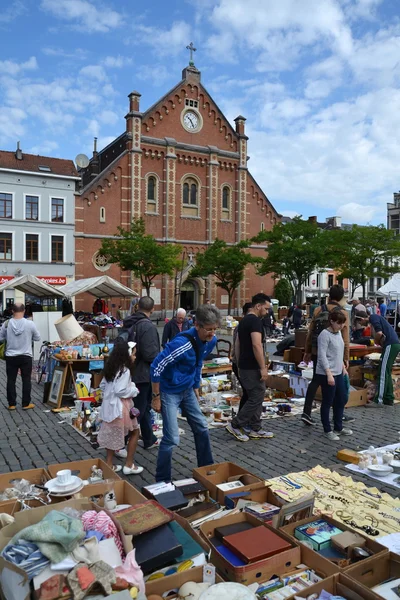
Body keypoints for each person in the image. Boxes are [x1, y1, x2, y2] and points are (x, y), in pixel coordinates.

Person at [150, 305, 220, 482]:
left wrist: (196, 387)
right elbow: (156, 367)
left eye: (214, 329)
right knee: (172, 437)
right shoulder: (182, 344)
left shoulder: (211, 341)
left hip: (187, 389)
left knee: (202, 427)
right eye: (208, 329)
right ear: (197, 325)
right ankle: (162, 479)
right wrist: (156, 396)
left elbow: (198, 363)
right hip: (169, 392)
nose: (212, 333)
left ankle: (206, 468)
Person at [301, 284, 352, 426]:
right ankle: (336, 415)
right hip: (334, 355)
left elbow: (310, 331)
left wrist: (308, 351)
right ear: (341, 297)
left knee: (316, 380)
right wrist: (345, 357)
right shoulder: (343, 313)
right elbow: (345, 337)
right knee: (336, 384)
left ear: (329, 295)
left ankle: (306, 412)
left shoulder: (319, 309)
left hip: (318, 351)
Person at [226, 293, 273, 442]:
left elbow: (238, 345)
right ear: (258, 306)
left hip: (245, 365)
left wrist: (238, 364)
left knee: (255, 395)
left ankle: (255, 428)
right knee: (256, 396)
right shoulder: (255, 322)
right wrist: (262, 367)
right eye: (266, 309)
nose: (267, 312)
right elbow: (256, 344)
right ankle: (236, 424)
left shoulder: (244, 321)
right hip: (252, 366)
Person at [98, 341, 143, 475]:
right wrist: (134, 390)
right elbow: (120, 390)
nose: (135, 357)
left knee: (112, 435)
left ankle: (109, 464)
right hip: (121, 407)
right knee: (135, 432)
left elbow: (103, 386)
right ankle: (129, 464)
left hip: (110, 406)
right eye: (134, 355)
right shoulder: (125, 370)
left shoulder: (111, 368)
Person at [123, 296, 160, 451]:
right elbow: (150, 354)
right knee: (137, 408)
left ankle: (149, 438)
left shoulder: (130, 322)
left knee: (142, 407)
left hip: (132, 370)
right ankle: (121, 440)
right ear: (153, 309)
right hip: (144, 373)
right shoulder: (148, 326)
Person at [315, 311, 351, 441]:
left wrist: (342, 366)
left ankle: (338, 427)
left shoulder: (338, 333)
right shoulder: (324, 335)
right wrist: (328, 373)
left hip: (338, 372)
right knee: (327, 401)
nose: (341, 326)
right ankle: (327, 429)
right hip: (327, 373)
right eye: (339, 323)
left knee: (340, 399)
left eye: (342, 323)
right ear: (332, 321)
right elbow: (322, 355)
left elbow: (338, 352)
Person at [0, 303, 40, 410]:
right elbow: (37, 338)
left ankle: (11, 404)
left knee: (11, 380)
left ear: (12, 311)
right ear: (24, 311)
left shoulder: (6, 324)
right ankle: (26, 403)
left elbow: (1, 338)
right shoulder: (30, 324)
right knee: (26, 379)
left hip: (11, 356)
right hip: (26, 356)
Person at [358, 313, 400, 406]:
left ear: (362, 318)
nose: (361, 325)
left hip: (390, 344)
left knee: (382, 372)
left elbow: (379, 333)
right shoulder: (376, 318)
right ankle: (388, 398)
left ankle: (378, 400)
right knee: (386, 372)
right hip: (392, 344)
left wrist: (376, 341)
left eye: (360, 322)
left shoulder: (373, 317)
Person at [231, 302, 252, 412]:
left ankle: (243, 418)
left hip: (242, 364)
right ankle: (240, 419)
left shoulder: (246, 325)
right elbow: (238, 347)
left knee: (248, 393)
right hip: (241, 364)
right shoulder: (242, 326)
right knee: (249, 393)